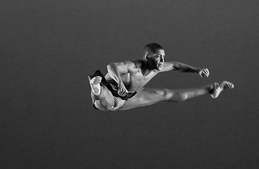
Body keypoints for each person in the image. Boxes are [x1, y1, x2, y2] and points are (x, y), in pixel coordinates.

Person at [88, 43, 234, 111]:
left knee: (166, 94)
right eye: (158, 57)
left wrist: (197, 70)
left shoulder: (157, 67)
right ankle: (97, 88)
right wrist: (119, 83)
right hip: (111, 90)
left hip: (130, 96)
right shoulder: (133, 66)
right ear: (147, 57)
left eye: (163, 57)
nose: (162, 61)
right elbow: (111, 66)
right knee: (106, 104)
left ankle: (212, 88)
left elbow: (176, 65)